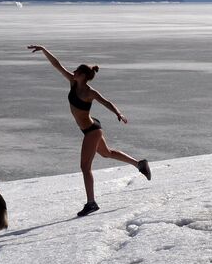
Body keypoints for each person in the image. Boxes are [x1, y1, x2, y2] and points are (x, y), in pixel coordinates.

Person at [28, 45, 151, 216]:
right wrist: (43, 49)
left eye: (77, 71)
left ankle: (91, 203)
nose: (74, 72)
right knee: (107, 153)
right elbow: (57, 65)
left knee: (85, 167)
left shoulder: (89, 92)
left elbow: (106, 102)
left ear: (84, 76)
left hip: (92, 131)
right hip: (90, 129)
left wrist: (118, 113)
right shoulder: (72, 82)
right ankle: (139, 164)